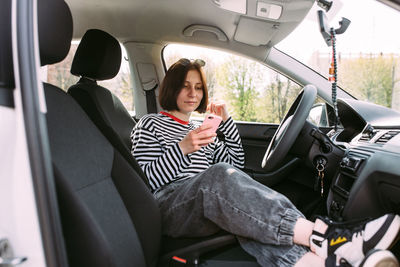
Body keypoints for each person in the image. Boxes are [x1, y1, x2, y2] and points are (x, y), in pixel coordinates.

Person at [131, 58, 400, 267]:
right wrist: (183, 148)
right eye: (185, 86)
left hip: (207, 199)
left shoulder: (201, 129)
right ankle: (327, 237)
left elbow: (233, 164)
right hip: (169, 205)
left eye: (198, 87)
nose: (193, 93)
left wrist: (226, 124)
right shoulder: (149, 124)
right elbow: (144, 181)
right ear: (171, 88)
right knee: (218, 180)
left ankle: (317, 262)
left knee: (248, 216)